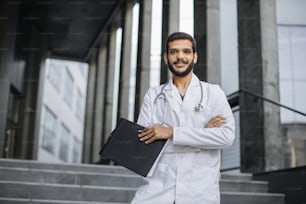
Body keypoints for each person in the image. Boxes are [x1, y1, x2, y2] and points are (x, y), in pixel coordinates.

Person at [131, 32, 235, 204]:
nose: (180, 57)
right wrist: (202, 136)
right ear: (166, 58)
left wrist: (170, 133)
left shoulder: (213, 93)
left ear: (194, 57)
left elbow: (226, 137)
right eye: (173, 52)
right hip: (158, 189)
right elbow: (145, 146)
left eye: (186, 51)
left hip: (199, 190)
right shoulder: (154, 95)